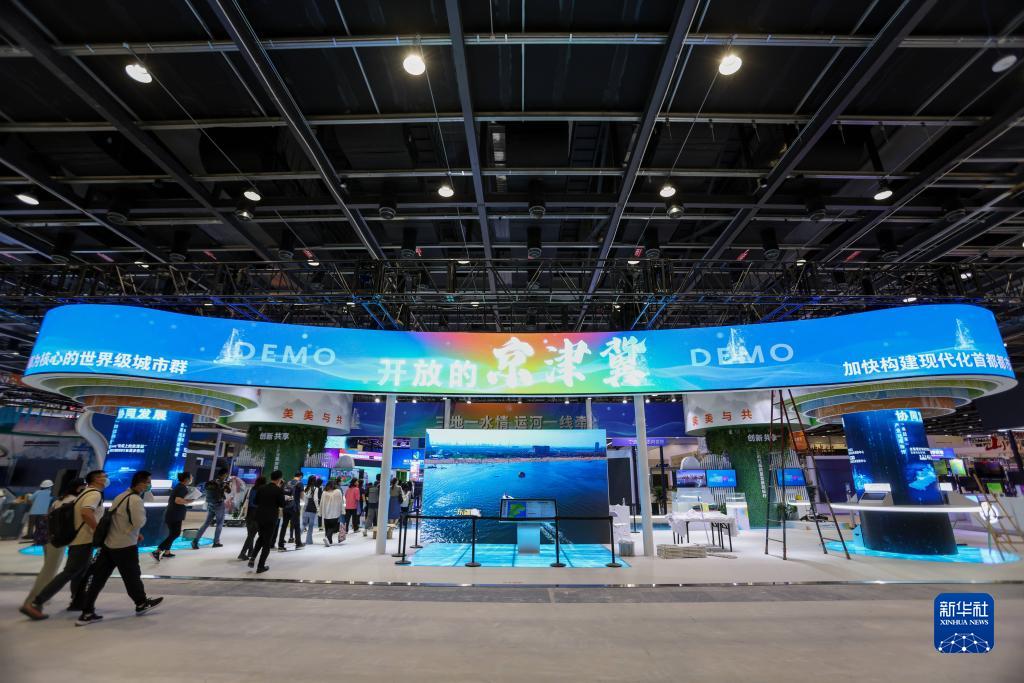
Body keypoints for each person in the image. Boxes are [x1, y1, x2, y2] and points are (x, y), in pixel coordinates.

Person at [76, 471, 163, 626]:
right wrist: (136, 528)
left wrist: (133, 532)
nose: (149, 485)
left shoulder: (121, 496)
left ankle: (87, 612)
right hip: (125, 545)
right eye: (148, 482)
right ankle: (141, 603)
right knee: (132, 576)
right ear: (141, 483)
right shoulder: (135, 500)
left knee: (98, 578)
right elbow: (139, 522)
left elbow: (115, 519)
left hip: (109, 543)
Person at [26, 470, 107, 618]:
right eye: (103, 477)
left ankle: (78, 602)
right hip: (83, 540)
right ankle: (36, 602)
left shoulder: (83, 494)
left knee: (80, 572)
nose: (106, 479)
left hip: (78, 539)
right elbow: (86, 513)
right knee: (69, 572)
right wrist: (98, 530)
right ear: (95, 479)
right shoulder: (94, 494)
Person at [19, 477, 85, 620]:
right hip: (57, 541)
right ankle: (31, 603)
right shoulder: (73, 501)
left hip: (48, 539)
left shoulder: (59, 500)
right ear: (79, 488)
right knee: (49, 573)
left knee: (48, 570)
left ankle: (37, 601)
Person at [250, 470, 285, 574]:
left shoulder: (261, 488)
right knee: (267, 542)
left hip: (259, 517)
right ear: (279, 479)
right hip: (271, 518)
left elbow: (255, 501)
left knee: (261, 538)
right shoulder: (278, 490)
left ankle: (252, 557)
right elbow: (282, 504)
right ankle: (260, 566)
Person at [153, 472, 192, 561]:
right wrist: (189, 501)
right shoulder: (182, 487)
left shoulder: (179, 486)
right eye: (191, 477)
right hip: (175, 514)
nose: (192, 478)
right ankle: (158, 550)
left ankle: (167, 552)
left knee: (172, 533)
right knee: (176, 533)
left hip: (172, 513)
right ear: (187, 479)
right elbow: (177, 500)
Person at [192, 468, 229, 549]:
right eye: (226, 475)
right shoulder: (222, 483)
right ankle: (216, 542)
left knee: (206, 523)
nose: (226, 476)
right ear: (223, 475)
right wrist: (226, 486)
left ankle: (195, 541)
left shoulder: (211, 482)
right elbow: (228, 491)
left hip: (210, 504)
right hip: (219, 505)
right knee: (219, 523)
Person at [238, 476, 265, 561]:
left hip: (248, 513)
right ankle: (242, 553)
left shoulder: (251, 489)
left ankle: (250, 551)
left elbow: (245, 500)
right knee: (251, 534)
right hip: (256, 513)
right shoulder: (262, 490)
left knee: (250, 533)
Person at [278, 471, 305, 550]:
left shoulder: (288, 482)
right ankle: (298, 543)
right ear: (300, 476)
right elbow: (302, 496)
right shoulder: (300, 483)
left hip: (286, 507)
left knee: (284, 526)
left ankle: (280, 544)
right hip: (294, 507)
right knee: (296, 525)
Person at [319, 481, 344, 546]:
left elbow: (321, 503)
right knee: (334, 528)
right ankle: (327, 538)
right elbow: (341, 502)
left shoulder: (324, 492)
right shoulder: (338, 492)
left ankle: (329, 541)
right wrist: (343, 511)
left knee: (327, 528)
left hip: (326, 514)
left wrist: (320, 512)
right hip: (335, 513)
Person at [301, 476, 320, 546]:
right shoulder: (316, 489)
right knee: (311, 525)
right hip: (312, 509)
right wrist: (317, 508)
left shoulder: (306, 488)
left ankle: (297, 537)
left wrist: (304, 508)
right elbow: (315, 499)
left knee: (304, 524)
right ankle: (308, 541)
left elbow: (305, 500)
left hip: (306, 508)